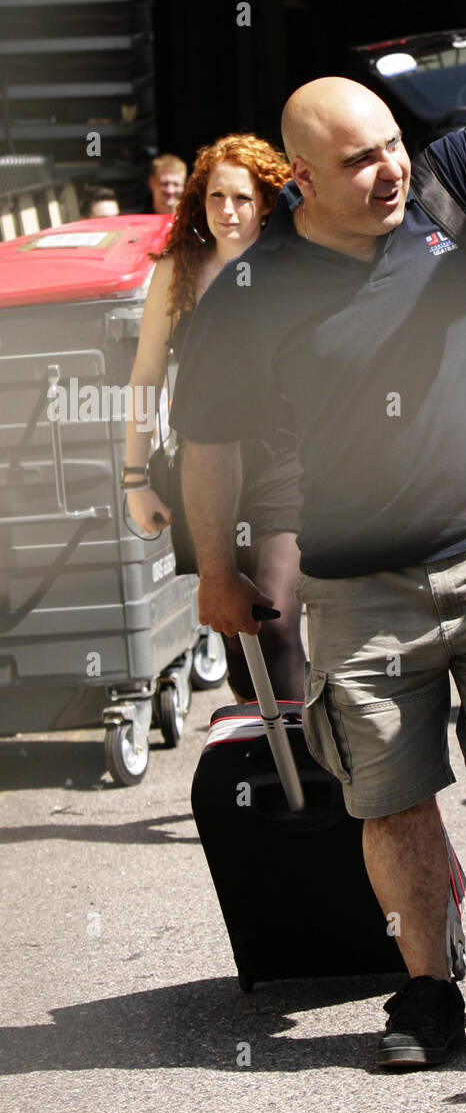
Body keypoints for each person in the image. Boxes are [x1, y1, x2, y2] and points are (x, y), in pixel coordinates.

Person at [168, 7, 466, 1070]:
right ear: (299, 183)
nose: (387, 172)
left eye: (390, 149)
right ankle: (425, 990)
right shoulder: (248, 293)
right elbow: (211, 441)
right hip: (357, 582)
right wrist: (216, 573)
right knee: (390, 794)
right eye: (358, 161)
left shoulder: (454, 191)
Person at [123, 134, 305, 701]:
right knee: (234, 639)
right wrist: (135, 479)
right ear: (199, 203)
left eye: (243, 198)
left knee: (272, 621)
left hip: (282, 462)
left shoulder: (293, 265)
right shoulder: (177, 274)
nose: (228, 211)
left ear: (268, 202)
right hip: (202, 469)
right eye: (216, 197)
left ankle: (307, 771)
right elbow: (144, 378)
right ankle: (264, 767)